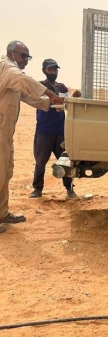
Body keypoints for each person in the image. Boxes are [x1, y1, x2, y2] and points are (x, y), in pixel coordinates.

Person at [0, 41, 64, 234]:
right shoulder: (6, 67)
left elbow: (29, 97)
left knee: (6, 172)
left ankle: (2, 213)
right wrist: (50, 93)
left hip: (6, 132)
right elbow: (24, 80)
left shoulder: (13, 77)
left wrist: (56, 102)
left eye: (28, 57)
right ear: (12, 53)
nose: (26, 61)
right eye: (23, 56)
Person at [29, 59, 75, 199]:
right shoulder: (40, 86)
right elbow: (38, 100)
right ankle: (37, 189)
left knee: (65, 161)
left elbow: (68, 103)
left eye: (55, 70)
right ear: (44, 70)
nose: (53, 72)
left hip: (60, 131)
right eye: (50, 70)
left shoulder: (62, 87)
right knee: (40, 161)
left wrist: (74, 98)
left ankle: (69, 189)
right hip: (44, 131)